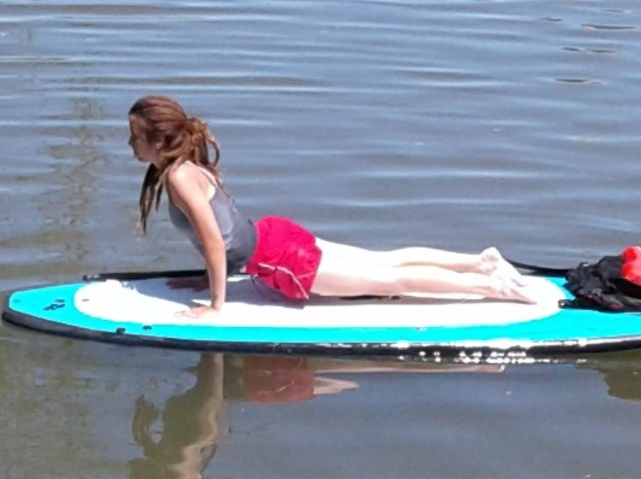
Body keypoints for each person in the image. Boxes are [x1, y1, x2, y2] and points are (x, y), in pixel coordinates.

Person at [127, 95, 536, 319]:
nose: (130, 145)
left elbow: (216, 242)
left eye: (135, 137)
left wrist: (216, 305)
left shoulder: (179, 176)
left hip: (280, 258)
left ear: (159, 143)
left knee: (387, 282)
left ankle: (488, 286)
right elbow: (224, 234)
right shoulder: (186, 165)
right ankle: (478, 262)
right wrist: (206, 280)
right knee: (385, 263)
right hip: (273, 235)